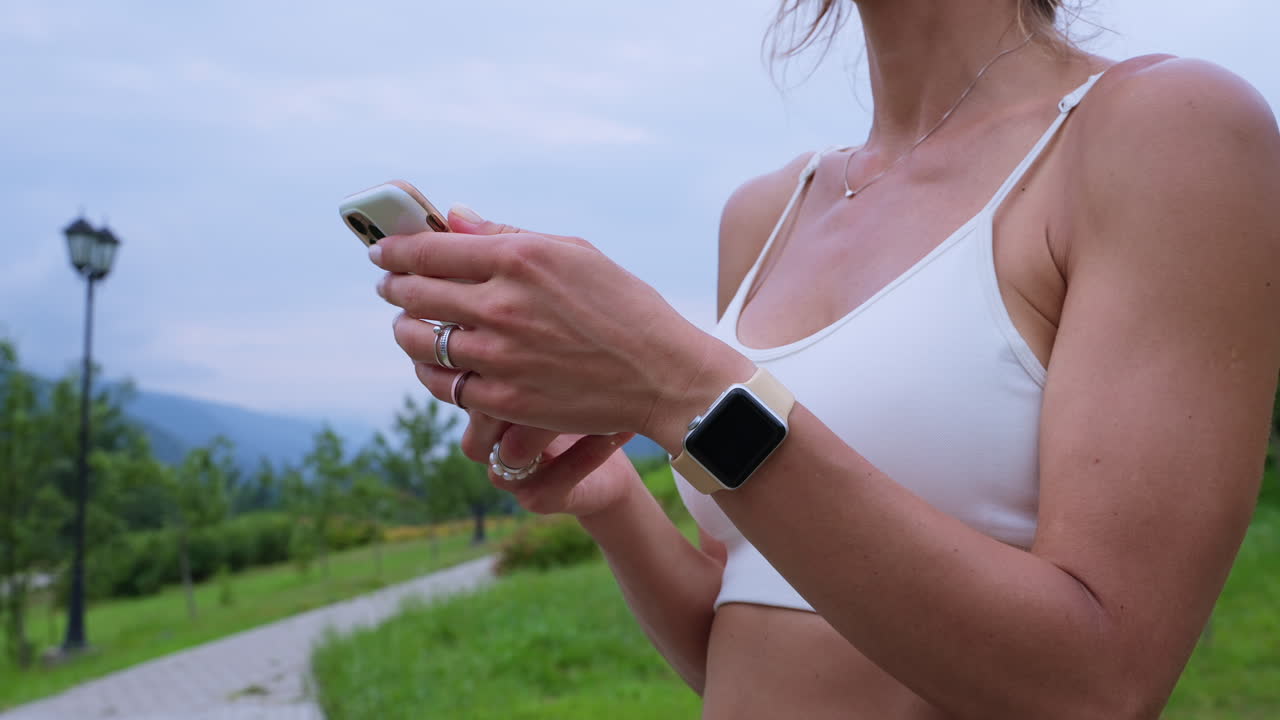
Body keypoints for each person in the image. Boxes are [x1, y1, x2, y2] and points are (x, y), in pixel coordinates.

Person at [368, 0, 1280, 716]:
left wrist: (677, 387)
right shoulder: (767, 214)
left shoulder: (1167, 130)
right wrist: (611, 498)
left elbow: (1099, 687)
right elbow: (746, 644)